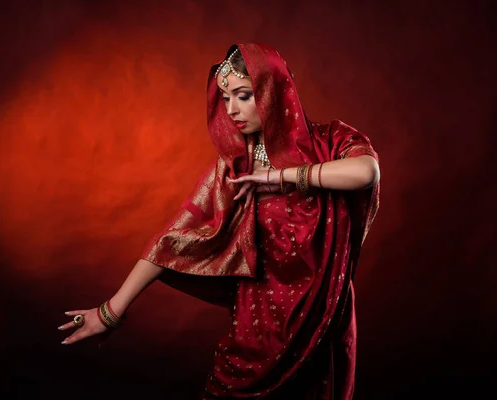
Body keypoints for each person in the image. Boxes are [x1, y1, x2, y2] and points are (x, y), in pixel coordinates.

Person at [57, 43, 380, 399]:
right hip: (257, 327)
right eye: (226, 98)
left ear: (274, 92)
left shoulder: (332, 141)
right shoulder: (233, 170)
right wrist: (109, 313)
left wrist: (280, 177)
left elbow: (366, 171)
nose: (232, 110)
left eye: (243, 96)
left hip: (321, 318)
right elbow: (172, 241)